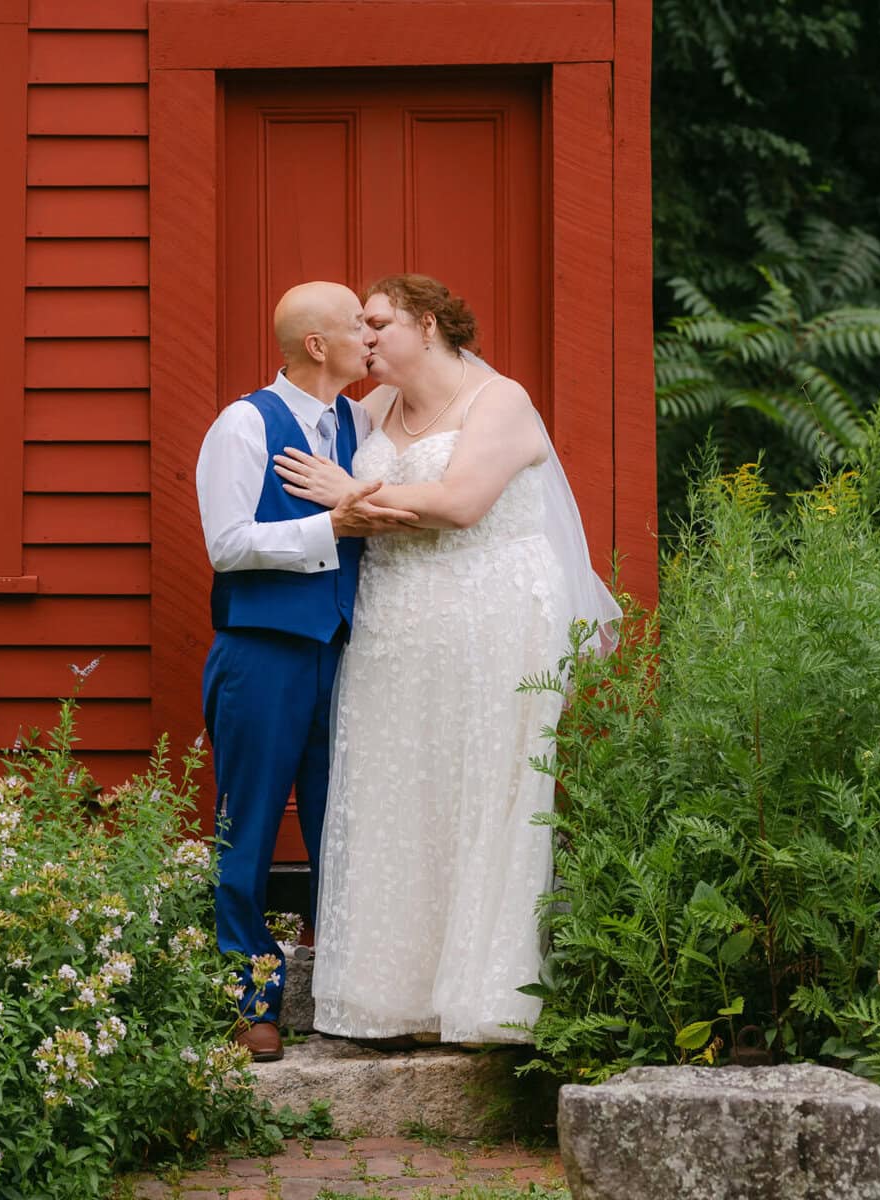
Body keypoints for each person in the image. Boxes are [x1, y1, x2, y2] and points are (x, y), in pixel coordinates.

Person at [274, 273, 620, 1043]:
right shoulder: (368, 410)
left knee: (483, 786)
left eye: (378, 322)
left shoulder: (499, 402)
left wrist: (350, 491)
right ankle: (390, 998)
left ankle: (485, 997)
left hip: (493, 612)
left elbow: (463, 505)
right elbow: (341, 504)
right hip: (395, 617)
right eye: (357, 325)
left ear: (427, 324)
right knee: (395, 784)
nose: (364, 338)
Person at [196, 280, 417, 1062]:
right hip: (261, 651)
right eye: (356, 323)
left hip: (344, 651)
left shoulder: (360, 421)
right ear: (316, 345)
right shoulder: (242, 424)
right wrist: (331, 525)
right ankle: (250, 998)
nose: (370, 334)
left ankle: (346, 996)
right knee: (248, 826)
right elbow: (225, 543)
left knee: (342, 825)